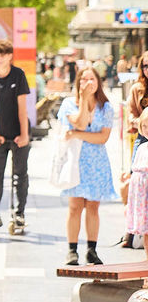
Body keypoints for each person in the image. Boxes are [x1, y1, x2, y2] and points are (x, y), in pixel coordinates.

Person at [59, 66, 117, 265]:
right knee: (75, 206)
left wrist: (76, 134)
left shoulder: (106, 107)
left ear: (98, 82)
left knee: (93, 206)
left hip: (97, 164)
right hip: (76, 161)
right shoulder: (69, 104)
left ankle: (92, 249)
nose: (88, 82)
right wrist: (84, 100)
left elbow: (102, 138)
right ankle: (72, 250)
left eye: (92, 78)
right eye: (84, 79)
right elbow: (81, 123)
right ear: (78, 82)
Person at [0, 39, 32, 234]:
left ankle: (20, 214)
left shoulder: (18, 75)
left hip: (18, 131)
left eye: (3, 54)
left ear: (10, 56)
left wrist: (24, 135)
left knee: (20, 174)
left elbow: (22, 108)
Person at [122, 112, 148, 262]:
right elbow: (135, 169)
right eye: (144, 126)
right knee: (146, 232)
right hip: (142, 197)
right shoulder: (142, 147)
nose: (147, 129)